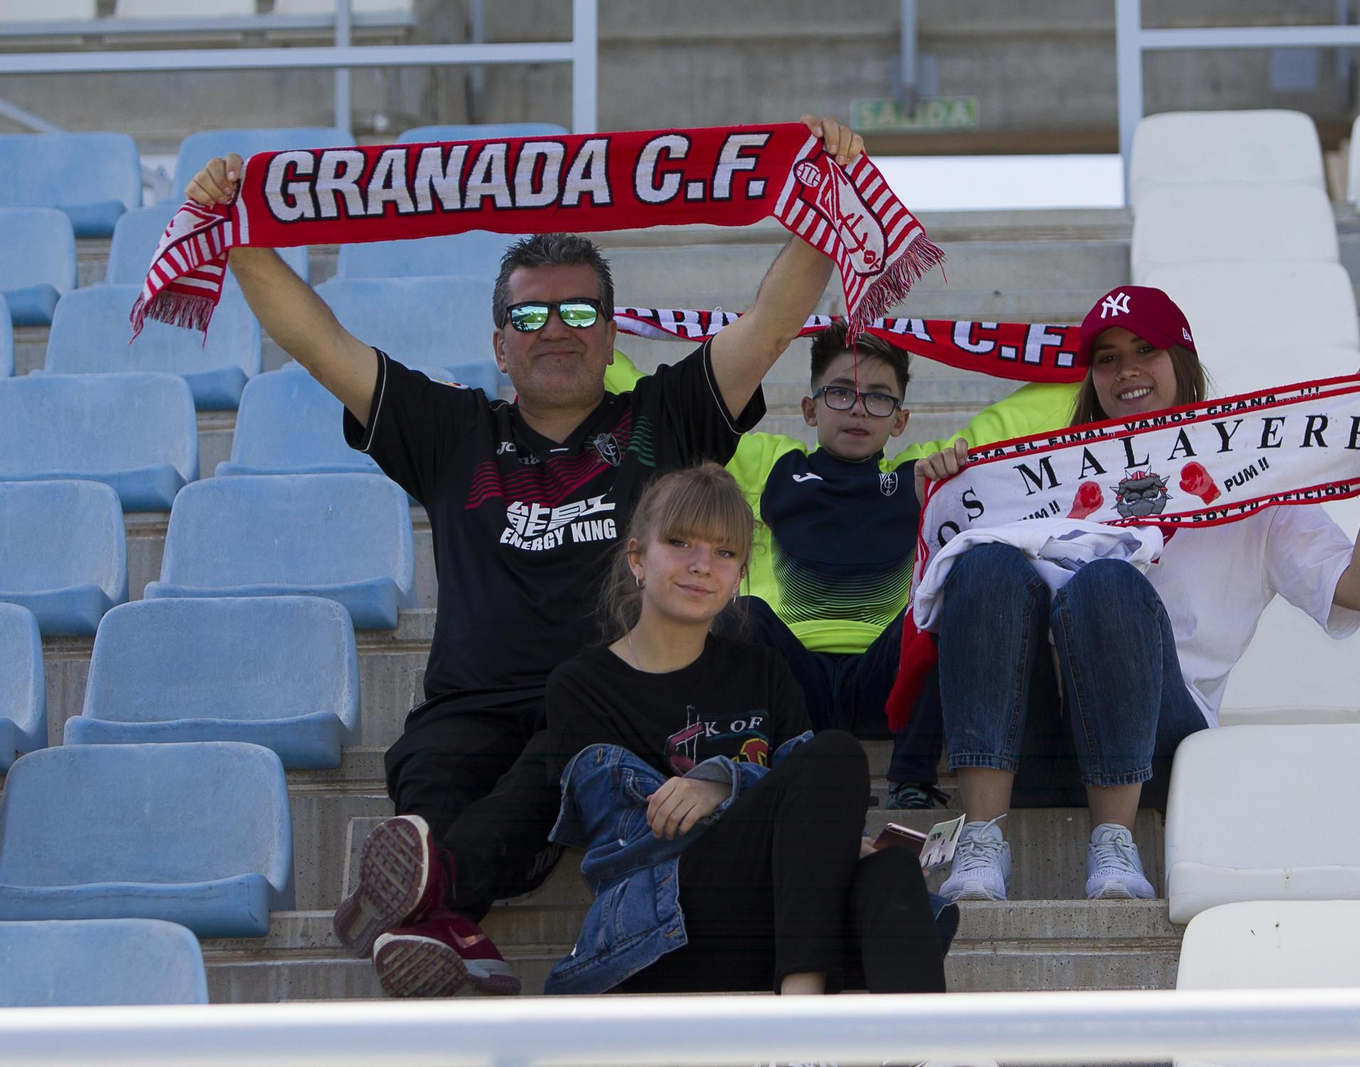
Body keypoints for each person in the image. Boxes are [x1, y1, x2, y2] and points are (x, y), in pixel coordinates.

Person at [180, 115, 867, 997]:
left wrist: (827, 189)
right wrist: (240, 234)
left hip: (609, 711)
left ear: (612, 334)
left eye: (579, 311)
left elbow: (772, 326)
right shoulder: (452, 430)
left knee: (555, 749)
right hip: (468, 708)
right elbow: (320, 344)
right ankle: (449, 925)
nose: (556, 329)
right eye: (529, 314)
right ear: (499, 341)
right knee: (429, 776)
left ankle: (432, 898)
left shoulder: (662, 418)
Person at [914, 285, 1360, 903]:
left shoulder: (1255, 482)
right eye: (1106, 358)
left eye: (1146, 349)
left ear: (1181, 360)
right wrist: (949, 500)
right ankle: (982, 840)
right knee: (985, 564)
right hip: (1037, 735)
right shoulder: (1035, 479)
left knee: (1107, 583)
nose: (1126, 369)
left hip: (1160, 745)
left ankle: (1115, 844)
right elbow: (974, 609)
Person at [537, 462, 952, 996]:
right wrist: (745, 792)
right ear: (637, 557)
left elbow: (803, 796)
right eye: (681, 542)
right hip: (662, 932)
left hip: (776, 925)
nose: (702, 565)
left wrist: (727, 792)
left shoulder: (762, 670)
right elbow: (634, 835)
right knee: (834, 755)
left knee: (890, 872)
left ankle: (926, 1053)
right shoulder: (582, 684)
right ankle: (801, 1028)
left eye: (725, 552)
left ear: (739, 575)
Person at [720, 324, 1077, 809]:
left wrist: (1091, 362)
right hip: (792, 682)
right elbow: (677, 411)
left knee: (943, 601)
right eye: (840, 392)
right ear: (809, 408)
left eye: (879, 398)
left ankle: (910, 780)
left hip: (888, 685)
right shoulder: (770, 466)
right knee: (741, 612)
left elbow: (1015, 421)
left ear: (902, 420)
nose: (859, 409)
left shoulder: (923, 474)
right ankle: (757, 774)